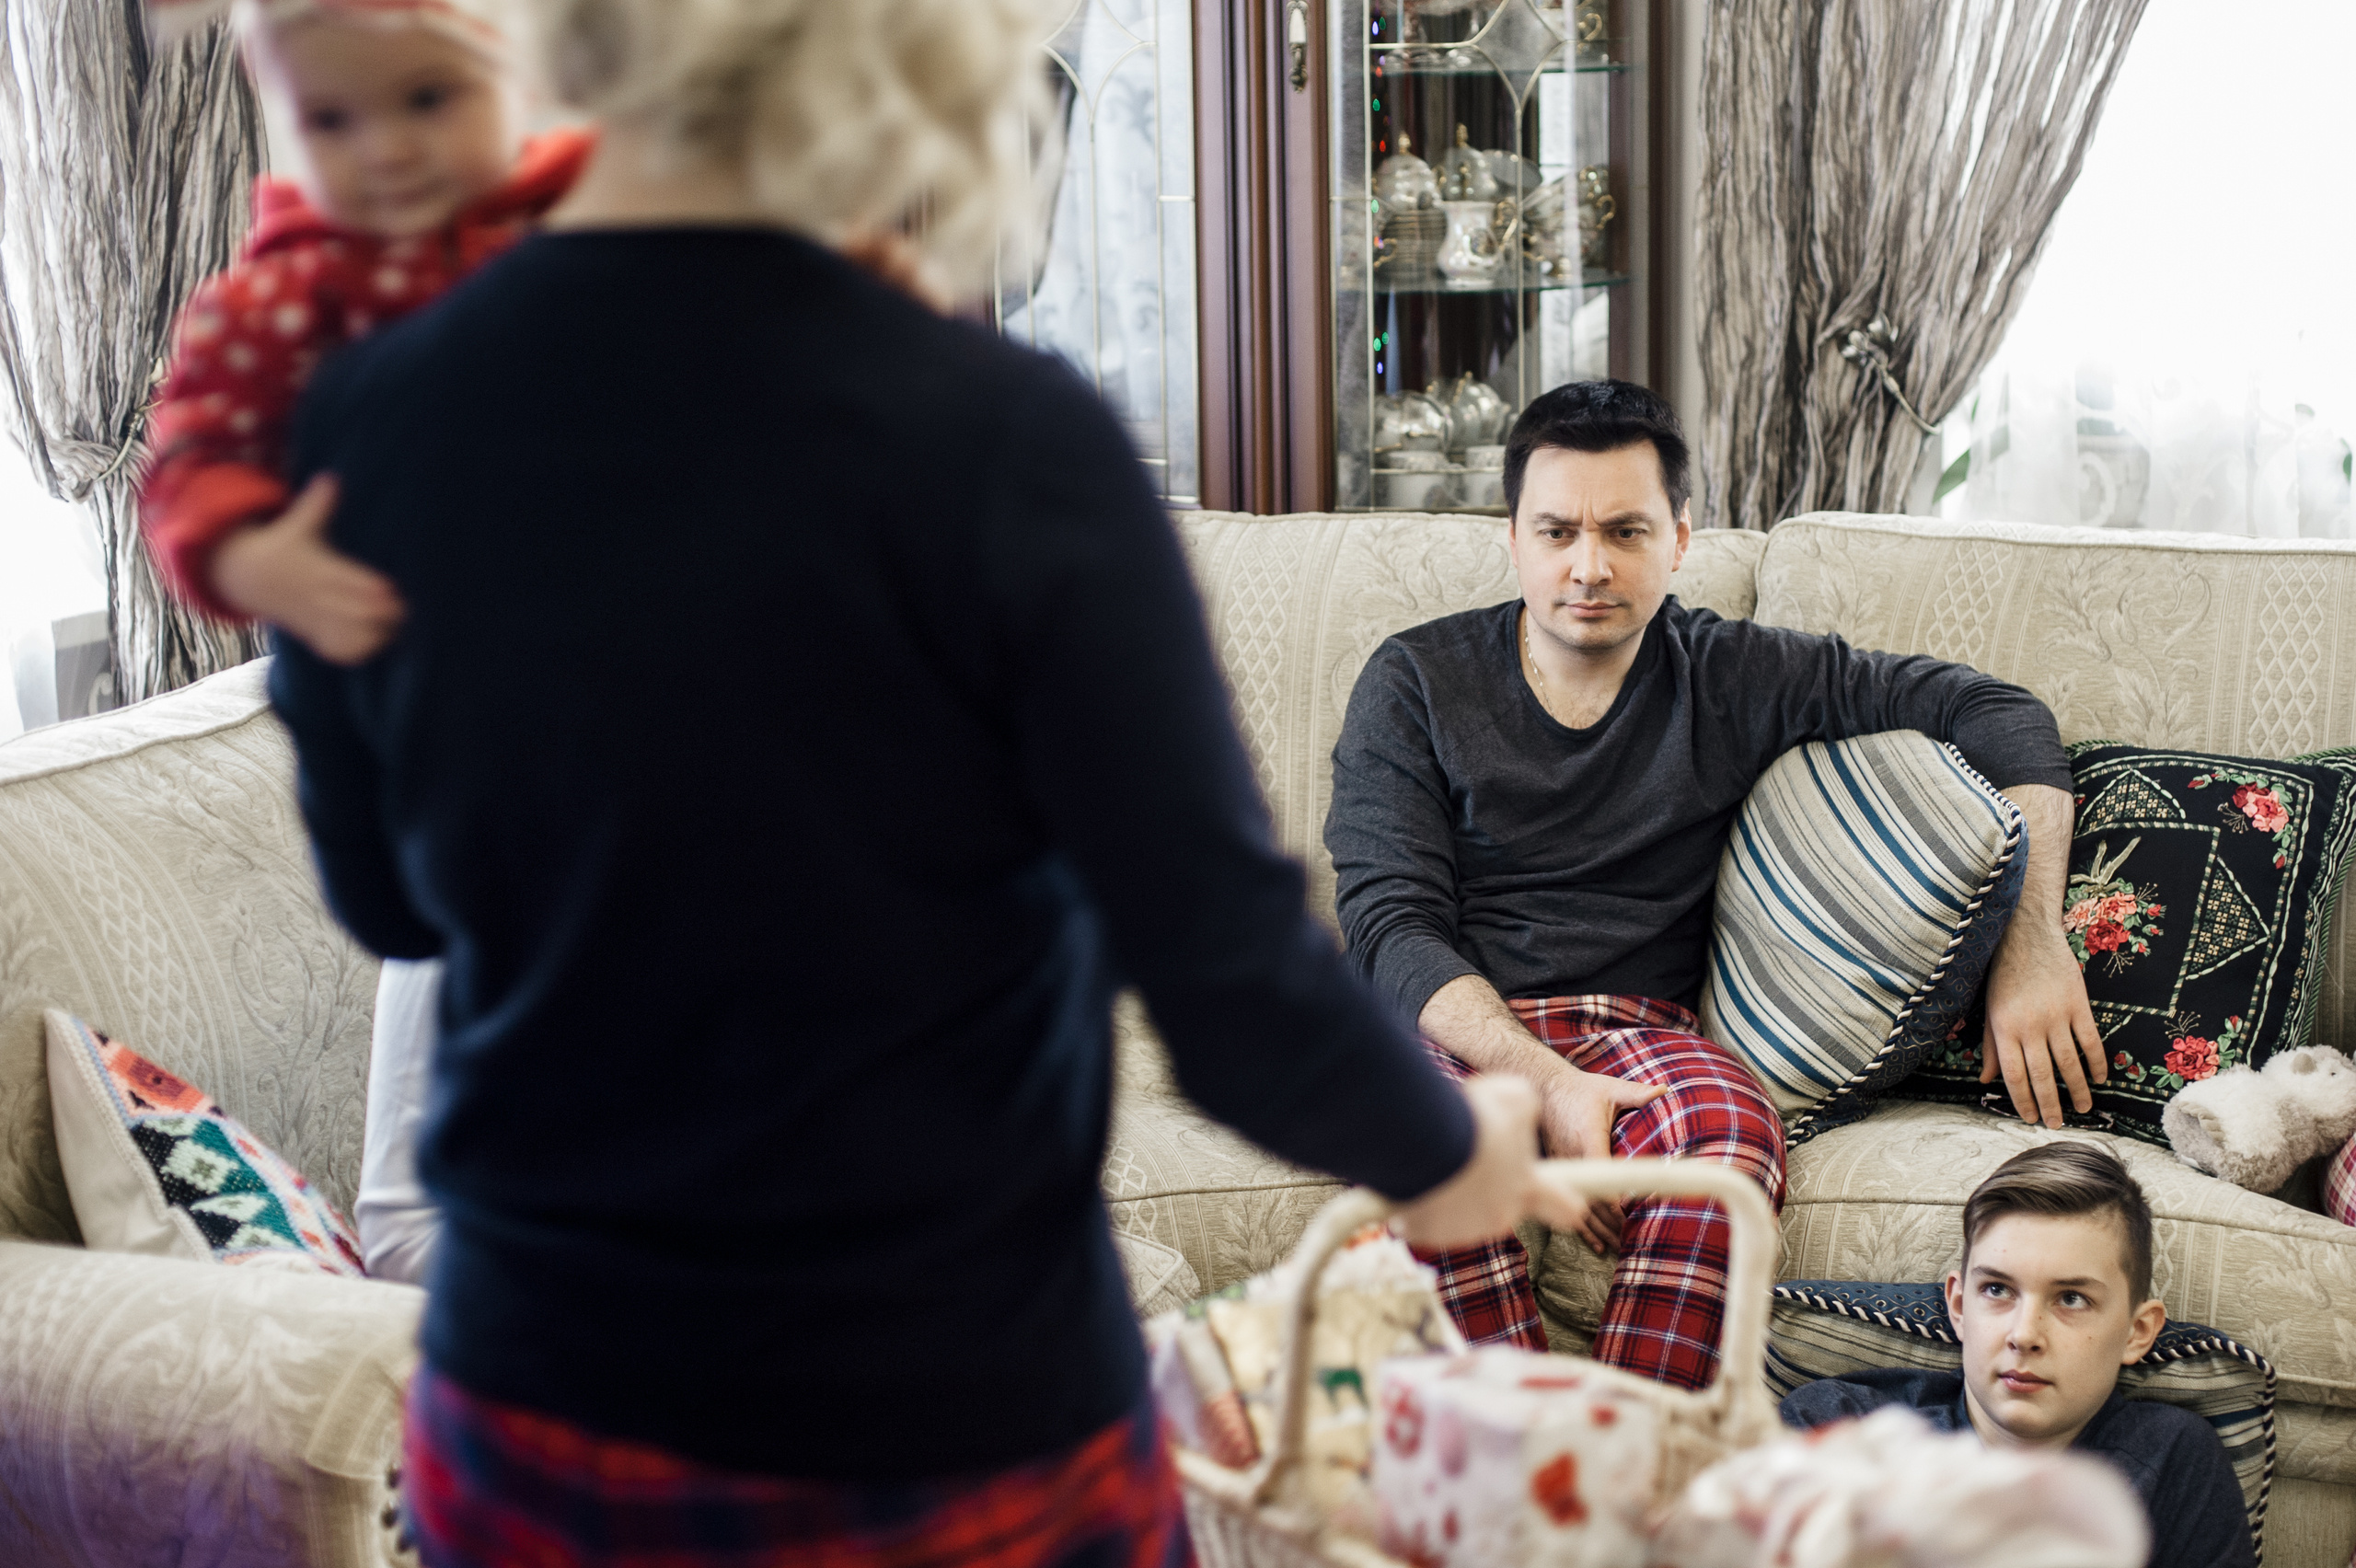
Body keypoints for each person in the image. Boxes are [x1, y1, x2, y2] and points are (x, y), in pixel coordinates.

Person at [263, 1, 1582, 1562]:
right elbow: (1231, 988)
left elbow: (386, 892)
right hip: (946, 1414)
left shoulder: (362, 413)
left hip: (542, 1397)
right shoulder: (1009, 444)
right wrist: (1448, 1151)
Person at [1326, 379, 2095, 1388]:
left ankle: (1633, 1471)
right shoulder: (1415, 680)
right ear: (1510, 536)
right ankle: (1508, 1489)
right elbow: (1388, 926)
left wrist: (2030, 940)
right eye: (1556, 531)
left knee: (1730, 1139)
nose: (1588, 566)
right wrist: (1545, 1086)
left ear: (1679, 539)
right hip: (1451, 1026)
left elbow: (2000, 714)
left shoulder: (1735, 674)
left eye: (1626, 531)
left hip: (1647, 1033)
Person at [139, 0, 591, 664]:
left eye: (428, 97)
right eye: (328, 120)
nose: (386, 151)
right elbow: (188, 461)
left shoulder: (589, 206)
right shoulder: (276, 298)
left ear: (522, 80)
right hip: (421, 641)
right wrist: (255, 563)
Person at [1780, 1143, 2256, 1568]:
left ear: (2137, 1331)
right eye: (1997, 1290)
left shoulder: (2173, 1458)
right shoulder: (1836, 1426)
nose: (2025, 1335)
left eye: (2071, 1298)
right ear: (1960, 1306)